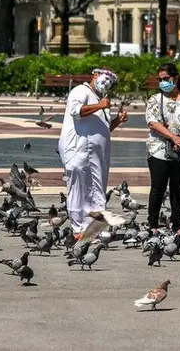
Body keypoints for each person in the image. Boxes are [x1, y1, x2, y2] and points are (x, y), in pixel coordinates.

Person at [58, 68, 128, 235]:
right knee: (79, 189)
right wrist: (100, 105)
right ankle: (78, 228)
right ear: (95, 76)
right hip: (78, 149)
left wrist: (117, 120)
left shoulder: (100, 100)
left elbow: (103, 128)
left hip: (97, 154)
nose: (106, 84)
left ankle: (93, 228)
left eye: (110, 83)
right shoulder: (81, 91)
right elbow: (77, 112)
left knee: (96, 190)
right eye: (104, 80)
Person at [145, 63, 180, 232]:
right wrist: (173, 137)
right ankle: (153, 224)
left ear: (175, 78)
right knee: (158, 188)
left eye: (166, 79)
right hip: (159, 149)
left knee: (178, 188)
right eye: (160, 79)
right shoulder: (155, 99)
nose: (163, 82)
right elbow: (152, 123)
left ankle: (178, 224)